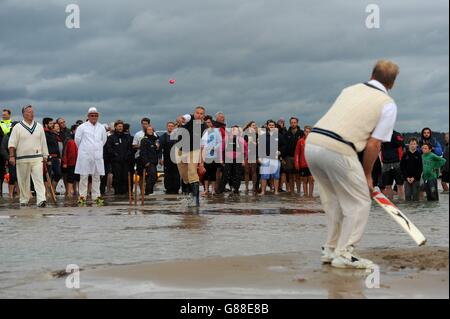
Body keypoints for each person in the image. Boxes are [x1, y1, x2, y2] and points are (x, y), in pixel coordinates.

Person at [305, 59, 400, 269]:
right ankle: (344, 253)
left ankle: (330, 249)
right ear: (392, 83)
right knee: (359, 202)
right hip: (339, 147)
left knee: (333, 200)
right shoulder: (387, 103)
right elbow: (374, 144)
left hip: (313, 143)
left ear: (372, 75)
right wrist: (367, 175)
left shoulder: (350, 89)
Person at [8, 105, 49, 207]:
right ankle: (24, 200)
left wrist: (45, 155)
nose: (32, 114)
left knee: (38, 179)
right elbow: (12, 144)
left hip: (37, 158)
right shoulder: (17, 127)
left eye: (32, 112)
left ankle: (41, 200)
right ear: (24, 114)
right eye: (29, 112)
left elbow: (43, 142)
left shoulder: (39, 126)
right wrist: (12, 156)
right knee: (23, 180)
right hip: (22, 158)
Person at [75, 107, 107, 205]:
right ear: (88, 116)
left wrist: (96, 149)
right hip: (85, 156)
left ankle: (96, 197)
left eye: (95, 115)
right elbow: (77, 141)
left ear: (98, 116)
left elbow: (104, 140)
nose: (94, 117)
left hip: (97, 156)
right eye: (92, 115)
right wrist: (86, 149)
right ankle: (82, 197)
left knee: (96, 177)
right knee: (84, 177)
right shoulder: (82, 127)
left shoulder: (101, 127)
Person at [175, 106, 207, 207]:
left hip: (194, 151)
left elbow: (203, 147)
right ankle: (190, 195)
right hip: (180, 150)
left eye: (201, 113)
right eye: (197, 113)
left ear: (204, 116)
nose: (199, 115)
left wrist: (201, 163)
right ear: (194, 113)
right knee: (185, 177)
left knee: (193, 174)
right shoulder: (190, 118)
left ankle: (196, 201)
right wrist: (181, 119)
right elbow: (184, 118)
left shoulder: (205, 128)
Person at [106, 120, 133, 195]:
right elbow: (109, 148)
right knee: (117, 177)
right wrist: (115, 155)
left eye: (121, 126)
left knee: (125, 177)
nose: (120, 128)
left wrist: (127, 155)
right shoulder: (111, 138)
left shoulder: (127, 137)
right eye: (119, 126)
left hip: (125, 161)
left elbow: (130, 148)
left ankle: (125, 192)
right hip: (116, 161)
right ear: (115, 127)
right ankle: (117, 192)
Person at [217, 125, 247, 195]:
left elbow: (245, 151)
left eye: (236, 130)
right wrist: (221, 159)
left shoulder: (241, 139)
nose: (234, 131)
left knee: (237, 175)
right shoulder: (226, 139)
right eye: (233, 130)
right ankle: (221, 189)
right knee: (225, 174)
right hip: (228, 159)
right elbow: (221, 150)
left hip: (238, 159)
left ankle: (236, 189)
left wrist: (244, 160)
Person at [259, 120, 282, 196]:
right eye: (270, 125)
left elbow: (284, 145)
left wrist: (280, 151)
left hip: (275, 159)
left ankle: (276, 191)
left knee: (276, 176)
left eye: (273, 125)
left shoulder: (279, 135)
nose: (271, 126)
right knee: (264, 176)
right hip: (265, 158)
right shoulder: (263, 136)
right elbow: (260, 147)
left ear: (275, 126)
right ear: (267, 126)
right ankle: (263, 191)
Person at [380, 130, 405, 200]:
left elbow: (401, 142)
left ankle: (402, 202)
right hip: (385, 163)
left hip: (397, 162)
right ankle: (391, 203)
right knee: (388, 186)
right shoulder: (381, 134)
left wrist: (389, 141)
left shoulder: (396, 134)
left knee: (399, 185)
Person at [201, 116, 222, 195]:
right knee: (206, 173)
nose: (208, 124)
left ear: (212, 123)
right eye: (206, 122)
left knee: (213, 172)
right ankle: (206, 189)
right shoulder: (204, 131)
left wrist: (215, 148)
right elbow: (202, 142)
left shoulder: (216, 131)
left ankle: (213, 189)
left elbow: (220, 142)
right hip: (205, 155)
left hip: (213, 154)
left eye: (209, 122)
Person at [159, 122, 181, 194]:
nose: (170, 127)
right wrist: (160, 158)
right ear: (167, 127)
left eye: (172, 126)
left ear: (174, 127)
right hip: (167, 158)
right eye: (169, 126)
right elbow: (160, 149)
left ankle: (176, 188)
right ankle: (168, 189)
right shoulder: (163, 137)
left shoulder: (178, 136)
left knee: (176, 174)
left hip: (176, 158)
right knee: (168, 174)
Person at [284, 117, 304, 193]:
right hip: (289, 157)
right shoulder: (286, 133)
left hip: (298, 157)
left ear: (297, 123)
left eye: (294, 122)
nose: (293, 124)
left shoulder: (301, 133)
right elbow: (284, 146)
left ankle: (298, 191)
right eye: (292, 122)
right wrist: (283, 158)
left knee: (298, 176)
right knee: (290, 176)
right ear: (290, 123)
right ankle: (292, 192)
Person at [1, 121, 19, 199]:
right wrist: (8, 158)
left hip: (21, 158)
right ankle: (10, 194)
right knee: (13, 176)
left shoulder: (20, 135)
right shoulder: (7, 136)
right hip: (11, 159)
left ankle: (19, 193)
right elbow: (3, 149)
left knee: (19, 177)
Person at [140, 126, 160, 195]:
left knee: (154, 177)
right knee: (152, 176)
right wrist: (146, 162)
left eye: (151, 130)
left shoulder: (154, 139)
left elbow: (157, 150)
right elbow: (142, 152)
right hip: (149, 162)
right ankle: (148, 191)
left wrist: (157, 147)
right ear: (146, 131)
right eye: (148, 130)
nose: (150, 131)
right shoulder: (144, 140)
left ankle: (150, 191)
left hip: (154, 161)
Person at [295, 125, 314, 197]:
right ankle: (306, 195)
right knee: (304, 181)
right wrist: (296, 163)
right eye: (306, 132)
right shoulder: (300, 141)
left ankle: (311, 195)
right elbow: (297, 153)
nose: (307, 133)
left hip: (311, 164)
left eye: (309, 132)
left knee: (311, 180)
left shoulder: (313, 142)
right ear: (304, 132)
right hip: (303, 164)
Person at [43, 118, 62, 191]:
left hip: (56, 157)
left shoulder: (53, 133)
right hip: (48, 157)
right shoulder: (44, 134)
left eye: (52, 123)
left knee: (58, 174)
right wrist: (46, 157)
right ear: (46, 124)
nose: (52, 125)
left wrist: (59, 157)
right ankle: (47, 192)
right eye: (50, 123)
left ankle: (52, 189)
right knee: (48, 175)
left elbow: (56, 146)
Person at [62, 125, 80, 197]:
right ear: (73, 131)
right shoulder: (68, 140)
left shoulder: (81, 139)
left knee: (78, 178)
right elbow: (65, 152)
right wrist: (65, 162)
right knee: (70, 178)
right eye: (76, 130)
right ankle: (69, 192)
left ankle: (77, 191)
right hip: (71, 162)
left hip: (79, 162)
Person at [243, 121, 259, 194]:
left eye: (255, 125)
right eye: (253, 125)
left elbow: (258, 146)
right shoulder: (245, 135)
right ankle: (246, 187)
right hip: (246, 155)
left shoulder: (257, 135)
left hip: (254, 154)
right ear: (249, 127)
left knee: (254, 171)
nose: (254, 126)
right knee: (246, 172)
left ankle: (254, 187)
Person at [0, 108, 12, 197]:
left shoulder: (13, 124)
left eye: (5, 114)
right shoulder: (0, 124)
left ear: (9, 115)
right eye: (2, 115)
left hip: (11, 149)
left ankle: (13, 192)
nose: (3, 116)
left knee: (13, 172)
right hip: (1, 150)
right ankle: (0, 191)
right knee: (1, 172)